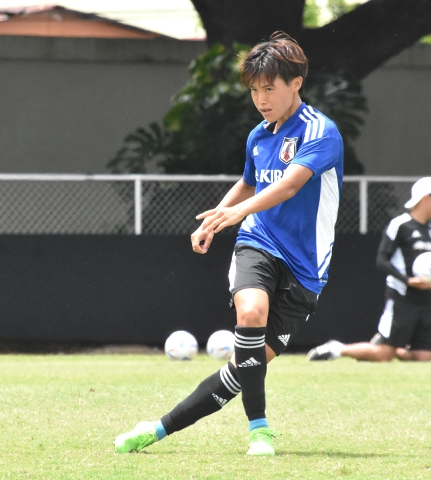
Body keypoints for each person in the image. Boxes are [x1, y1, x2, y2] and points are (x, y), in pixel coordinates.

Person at [114, 31, 344, 457]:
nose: (261, 98)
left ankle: (156, 429)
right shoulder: (259, 135)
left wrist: (236, 211)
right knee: (251, 310)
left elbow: (291, 185)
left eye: (269, 88)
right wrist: (219, 218)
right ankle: (260, 430)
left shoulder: (321, 131)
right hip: (257, 241)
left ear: (295, 82)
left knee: (242, 371)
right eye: (255, 90)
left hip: (306, 270)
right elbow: (249, 182)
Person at [307, 177, 431, 363]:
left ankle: (394, 346)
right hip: (403, 299)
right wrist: (408, 281)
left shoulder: (430, 230)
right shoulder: (400, 225)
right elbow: (382, 260)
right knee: (382, 355)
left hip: (427, 301)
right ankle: (338, 349)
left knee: (424, 357)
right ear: (427, 199)